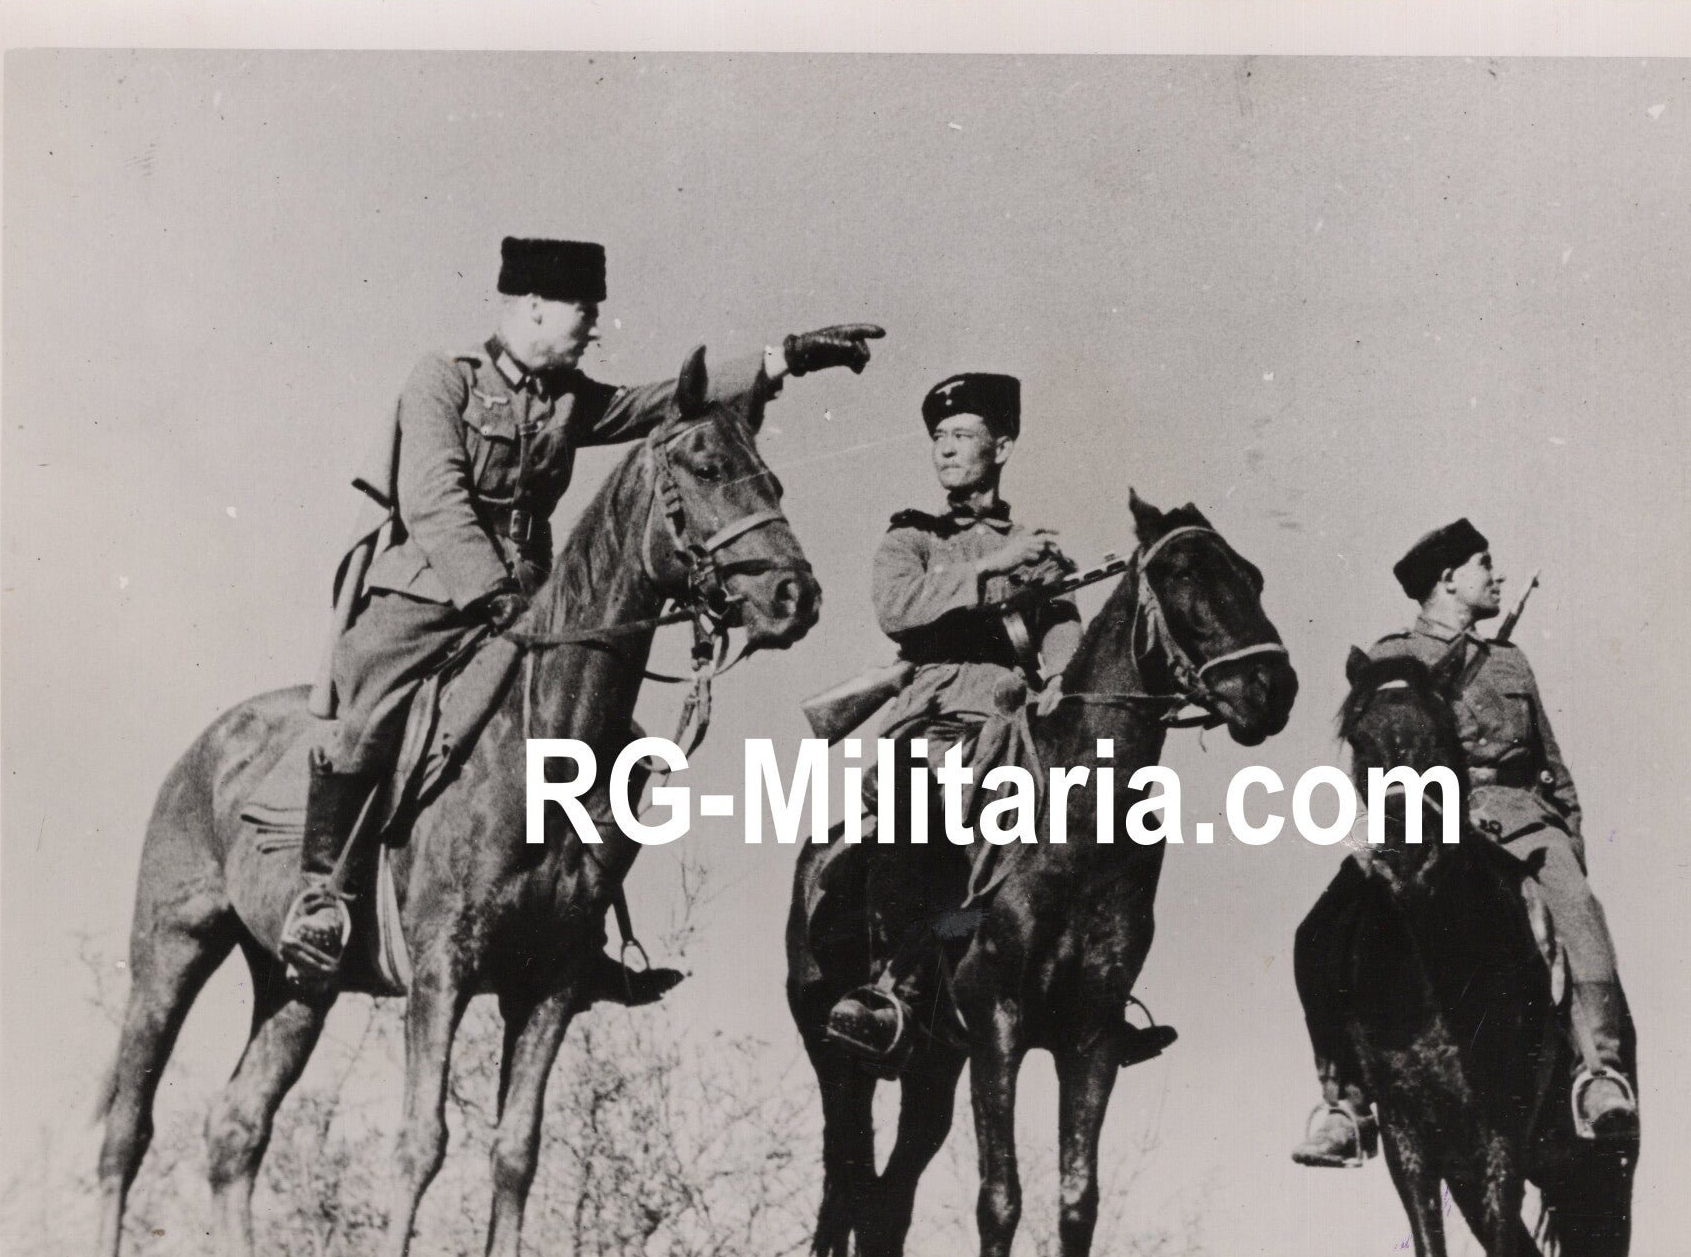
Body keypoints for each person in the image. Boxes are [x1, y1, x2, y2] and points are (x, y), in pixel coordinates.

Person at [280, 235, 883, 984]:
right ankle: (322, 900)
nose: (594, 328)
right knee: (367, 725)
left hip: (530, 607)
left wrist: (784, 357)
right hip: (428, 597)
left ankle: (577, 930)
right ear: (533, 307)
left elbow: (668, 398)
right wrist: (490, 592)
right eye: (584, 312)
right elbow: (433, 500)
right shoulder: (443, 381)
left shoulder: (569, 400)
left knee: (620, 754)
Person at [819, 372, 1172, 1070]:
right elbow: (899, 609)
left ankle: (1101, 986)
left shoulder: (1040, 550)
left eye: (962, 436)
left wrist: (1061, 684)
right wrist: (996, 568)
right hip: (939, 714)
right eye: (938, 438)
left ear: (1001, 446)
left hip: (1018, 723)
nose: (945, 450)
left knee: (1120, 812)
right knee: (909, 810)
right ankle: (895, 985)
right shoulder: (912, 538)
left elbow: (1062, 642)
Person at [1292, 518, 1638, 1165]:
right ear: (1448, 579)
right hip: (1433, 823)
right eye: (1485, 563)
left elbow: (1551, 762)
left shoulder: (1510, 661)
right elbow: (1371, 752)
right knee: (1319, 933)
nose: (1496, 575)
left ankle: (1599, 1074)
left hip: (1524, 821)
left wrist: (1569, 842)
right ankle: (1345, 1104)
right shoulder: (1394, 656)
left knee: (1582, 912)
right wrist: (1376, 831)